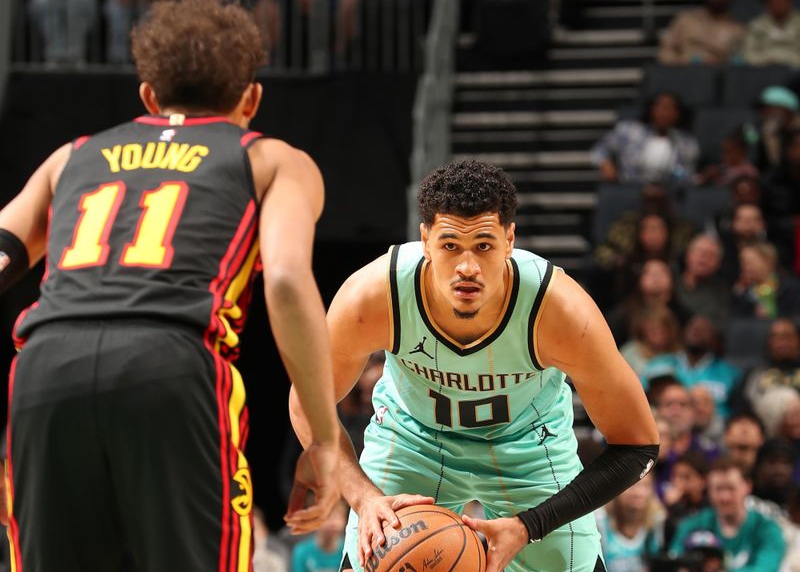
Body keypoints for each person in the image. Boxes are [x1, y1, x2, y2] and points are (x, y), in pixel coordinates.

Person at [0, 0, 340, 570]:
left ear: (148, 96)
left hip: (45, 369)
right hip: (171, 364)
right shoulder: (272, 159)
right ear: (252, 97)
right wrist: (325, 438)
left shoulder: (70, 156)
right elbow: (284, 279)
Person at [288, 160, 660, 572]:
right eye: (450, 246)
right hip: (414, 439)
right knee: (378, 554)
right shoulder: (374, 296)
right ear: (425, 241)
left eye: (484, 245)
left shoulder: (560, 312)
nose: (468, 267)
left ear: (509, 240)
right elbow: (306, 404)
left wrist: (531, 524)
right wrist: (364, 497)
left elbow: (638, 446)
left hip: (528, 447)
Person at [669, 458, 786, 571]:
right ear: (708, 490)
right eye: (718, 489)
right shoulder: (691, 525)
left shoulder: (766, 529)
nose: (724, 497)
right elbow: (674, 562)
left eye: (731, 488)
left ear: (747, 487)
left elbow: (765, 568)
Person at [643, 315, 741, 419]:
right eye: (693, 328)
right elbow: (641, 399)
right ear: (684, 332)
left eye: (703, 329)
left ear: (714, 337)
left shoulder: (729, 373)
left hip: (713, 430)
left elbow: (736, 412)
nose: (696, 331)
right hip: (664, 426)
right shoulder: (659, 363)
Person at [590, 92, 699, 185]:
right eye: (660, 107)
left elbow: (684, 175)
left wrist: (688, 177)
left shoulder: (687, 144)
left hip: (666, 195)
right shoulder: (630, 131)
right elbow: (600, 148)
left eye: (670, 108)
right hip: (630, 188)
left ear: (677, 114)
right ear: (651, 110)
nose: (664, 113)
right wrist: (606, 164)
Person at [658, 0, 745, 65]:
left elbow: (740, 62)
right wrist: (684, 62)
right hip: (685, 73)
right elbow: (664, 53)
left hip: (719, 75)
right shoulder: (686, 20)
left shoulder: (738, 30)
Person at [595, 473, 665, 572]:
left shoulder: (656, 519)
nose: (638, 493)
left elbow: (655, 559)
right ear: (617, 489)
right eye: (632, 485)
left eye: (645, 486)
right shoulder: (600, 520)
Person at [675, 235, 730, 333]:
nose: (704, 258)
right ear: (688, 254)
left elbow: (722, 326)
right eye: (700, 252)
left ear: (718, 264)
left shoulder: (723, 293)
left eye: (711, 255)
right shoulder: (670, 282)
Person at [743, 0, 800, 68]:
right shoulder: (756, 26)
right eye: (773, 1)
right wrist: (766, 61)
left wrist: (789, 62)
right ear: (767, 4)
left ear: (789, 1)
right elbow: (748, 55)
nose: (777, 5)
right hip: (764, 72)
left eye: (781, 0)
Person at [291, 501, 347, 572]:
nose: (334, 523)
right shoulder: (302, 552)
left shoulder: (349, 551)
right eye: (327, 517)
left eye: (338, 517)